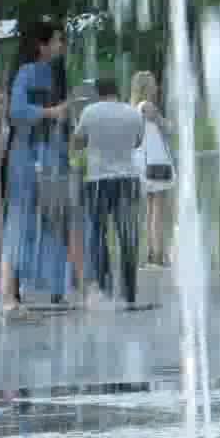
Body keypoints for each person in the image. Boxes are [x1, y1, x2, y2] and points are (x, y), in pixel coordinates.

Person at [0, 20, 71, 316]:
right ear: (42, 46)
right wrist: (52, 112)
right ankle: (8, 294)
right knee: (21, 220)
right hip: (26, 156)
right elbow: (16, 111)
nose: (61, 46)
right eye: (56, 40)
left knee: (50, 220)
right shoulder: (28, 72)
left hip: (46, 155)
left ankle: (53, 288)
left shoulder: (50, 73)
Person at [72, 78, 144, 308]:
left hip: (98, 180)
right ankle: (129, 292)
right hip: (127, 179)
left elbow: (78, 141)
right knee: (128, 236)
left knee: (98, 235)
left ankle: (105, 288)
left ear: (98, 93)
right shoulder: (133, 113)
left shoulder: (90, 112)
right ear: (117, 91)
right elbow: (137, 142)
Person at [129, 71, 175, 266]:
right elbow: (168, 128)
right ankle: (158, 253)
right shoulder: (147, 106)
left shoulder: (134, 108)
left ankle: (151, 251)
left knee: (150, 209)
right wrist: (168, 123)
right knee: (157, 210)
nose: (157, 87)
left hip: (146, 163)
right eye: (154, 84)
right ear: (146, 87)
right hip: (156, 163)